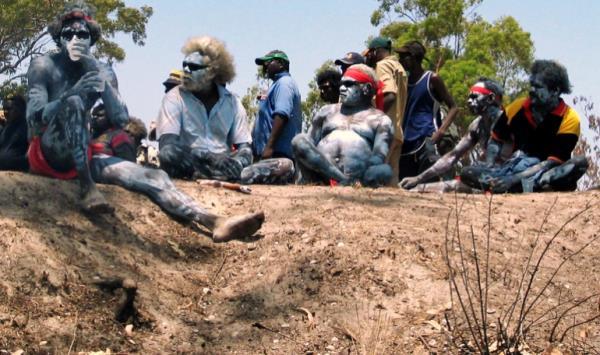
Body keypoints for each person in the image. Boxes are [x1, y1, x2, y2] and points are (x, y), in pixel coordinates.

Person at [26, 3, 264, 241]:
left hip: (85, 156)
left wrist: (101, 81)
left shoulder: (101, 69)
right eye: (68, 34)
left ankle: (213, 221)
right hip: (50, 153)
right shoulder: (44, 66)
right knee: (75, 103)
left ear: (92, 40)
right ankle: (88, 189)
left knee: (155, 177)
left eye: (82, 34)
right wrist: (71, 93)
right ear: (58, 39)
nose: (76, 39)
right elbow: (34, 119)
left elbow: (120, 119)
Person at [156, 37, 294, 185]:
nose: (186, 70)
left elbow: (245, 148)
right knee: (168, 155)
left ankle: (224, 176)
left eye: (193, 67)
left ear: (213, 72)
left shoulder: (233, 102)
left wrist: (237, 164)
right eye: (184, 65)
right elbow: (167, 145)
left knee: (286, 165)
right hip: (190, 163)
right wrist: (209, 158)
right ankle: (226, 177)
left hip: (226, 165)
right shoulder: (174, 98)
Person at [460, 60, 588, 193]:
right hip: (512, 170)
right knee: (467, 172)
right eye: (531, 85)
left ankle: (520, 186)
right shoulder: (517, 107)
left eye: (538, 87)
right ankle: (513, 186)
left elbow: (552, 162)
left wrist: (513, 180)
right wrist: (490, 164)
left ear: (555, 91)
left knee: (580, 163)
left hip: (545, 173)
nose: (531, 90)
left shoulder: (569, 118)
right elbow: (496, 138)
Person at [399, 78, 510, 192]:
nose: (468, 101)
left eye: (474, 97)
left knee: (467, 174)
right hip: (488, 177)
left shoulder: (508, 122)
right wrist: (418, 179)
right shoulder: (476, 126)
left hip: (509, 176)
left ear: (491, 98)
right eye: (469, 97)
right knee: (463, 176)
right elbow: (452, 156)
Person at [292, 64, 393, 187]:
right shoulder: (326, 111)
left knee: (384, 170)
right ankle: (342, 180)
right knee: (299, 140)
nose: (341, 88)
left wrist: (365, 174)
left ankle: (350, 182)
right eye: (341, 84)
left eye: (349, 84)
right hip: (321, 176)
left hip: (360, 180)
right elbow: (307, 145)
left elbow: (378, 157)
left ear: (366, 88)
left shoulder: (381, 120)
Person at [396, 40, 458, 180]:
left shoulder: (432, 79)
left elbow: (454, 107)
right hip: (406, 143)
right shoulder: (404, 81)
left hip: (426, 141)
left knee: (428, 186)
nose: (400, 60)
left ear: (413, 58)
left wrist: (440, 132)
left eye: (403, 57)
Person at [365, 36, 408, 185]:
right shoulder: (399, 67)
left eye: (369, 53)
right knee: (391, 183)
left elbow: (390, 95)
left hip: (385, 133)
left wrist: (374, 118)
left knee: (374, 180)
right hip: (397, 131)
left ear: (375, 51)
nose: (368, 57)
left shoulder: (382, 66)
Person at [252, 50, 302, 163]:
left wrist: (269, 147)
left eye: (267, 63)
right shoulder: (276, 84)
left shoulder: (284, 83)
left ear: (281, 63)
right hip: (269, 153)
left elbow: (281, 115)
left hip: (278, 154)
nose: (265, 67)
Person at [0, 94, 29, 171]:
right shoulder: (5, 129)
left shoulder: (28, 128)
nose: (5, 112)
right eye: (4, 109)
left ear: (20, 109)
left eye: (9, 109)